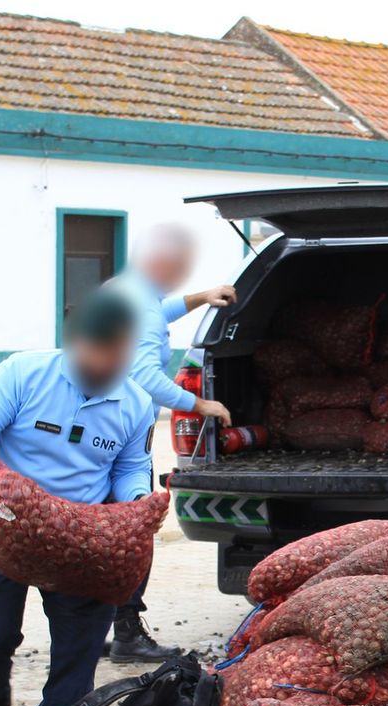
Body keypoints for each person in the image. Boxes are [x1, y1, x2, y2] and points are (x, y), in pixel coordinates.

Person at [0, 289, 156, 706]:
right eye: (96, 350)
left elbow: (129, 468)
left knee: (76, 667)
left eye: (117, 353)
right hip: (7, 532)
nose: (105, 363)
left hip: (81, 544)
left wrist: (137, 503)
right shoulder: (22, 373)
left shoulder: (138, 401)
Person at [103, 223, 235, 663]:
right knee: (134, 530)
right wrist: (200, 404)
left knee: (103, 532)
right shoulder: (138, 300)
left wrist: (201, 297)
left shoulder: (127, 290)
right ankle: (126, 632)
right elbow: (144, 375)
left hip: (104, 433)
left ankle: (97, 623)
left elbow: (157, 314)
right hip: (123, 442)